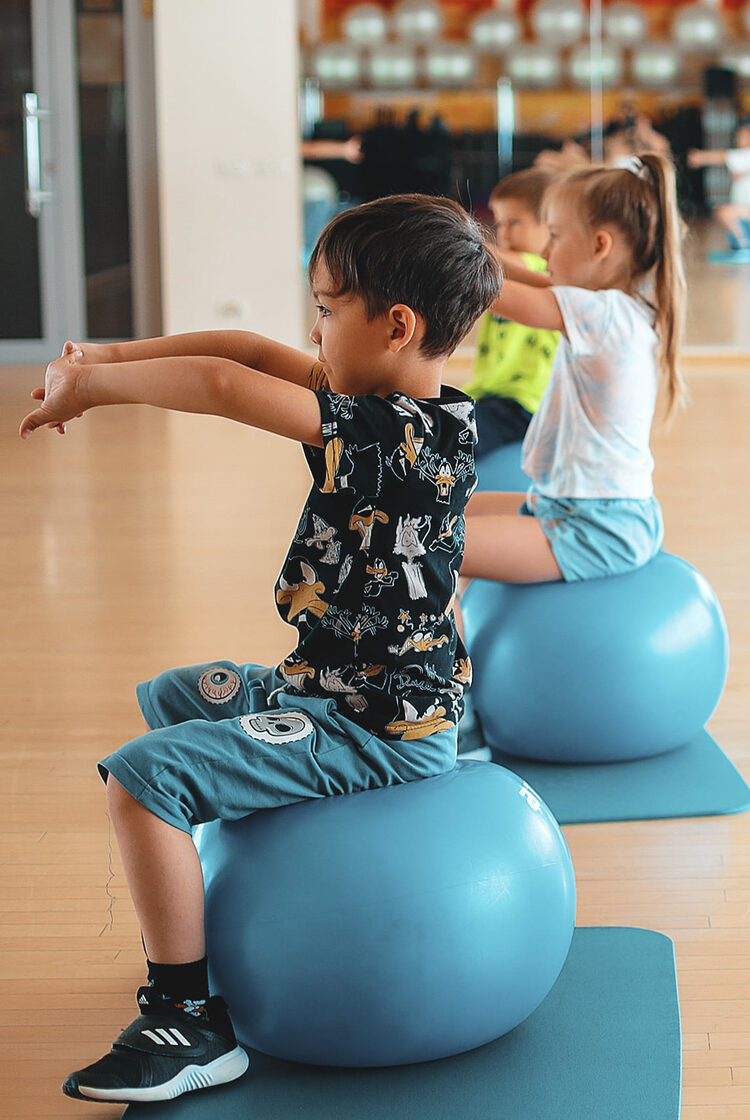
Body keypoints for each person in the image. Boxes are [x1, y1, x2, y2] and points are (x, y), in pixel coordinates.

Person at [22, 194, 500, 1103]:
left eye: (325, 310)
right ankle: (216, 924)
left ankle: (188, 1016)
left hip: (376, 728)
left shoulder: (404, 436)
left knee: (142, 779)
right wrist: (104, 355)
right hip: (326, 684)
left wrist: (95, 391)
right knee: (174, 696)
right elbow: (239, 354)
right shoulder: (378, 396)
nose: (312, 334)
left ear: (396, 325)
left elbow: (225, 389)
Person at [463, 152, 686, 592]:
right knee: (449, 510)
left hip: (599, 529)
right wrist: (467, 245)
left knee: (422, 543)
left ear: (600, 246)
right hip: (581, 508)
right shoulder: (621, 308)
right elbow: (525, 274)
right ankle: (456, 651)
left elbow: (488, 288)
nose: (542, 252)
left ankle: (433, 663)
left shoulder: (597, 314)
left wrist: (436, 249)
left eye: (555, 237)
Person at [464, 167, 560, 458]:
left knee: (452, 441)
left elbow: (493, 258)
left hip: (526, 405)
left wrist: (455, 240)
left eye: (514, 223)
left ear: (551, 226)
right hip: (490, 395)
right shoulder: (511, 269)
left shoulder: (542, 269)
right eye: (499, 223)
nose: (503, 234)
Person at [688, 120, 750, 257]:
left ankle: (745, 246)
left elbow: (722, 156)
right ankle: (744, 244)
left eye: (741, 137)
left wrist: (700, 157)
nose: (737, 139)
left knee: (722, 213)